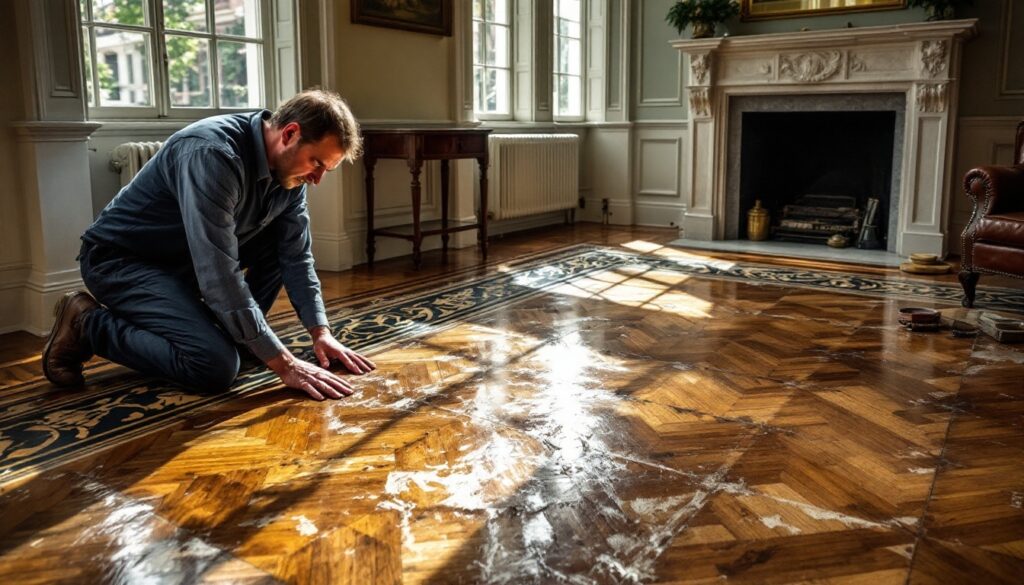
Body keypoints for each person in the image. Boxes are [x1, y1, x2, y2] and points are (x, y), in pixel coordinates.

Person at [41, 89, 376, 400]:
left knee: (274, 258)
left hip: (184, 263)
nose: (317, 179)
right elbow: (218, 272)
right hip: (122, 262)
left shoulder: (291, 173)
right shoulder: (212, 153)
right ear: (289, 134)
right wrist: (285, 365)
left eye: (326, 170)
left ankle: (239, 339)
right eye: (317, 163)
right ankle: (87, 325)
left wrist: (321, 332)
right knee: (214, 367)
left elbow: (296, 256)